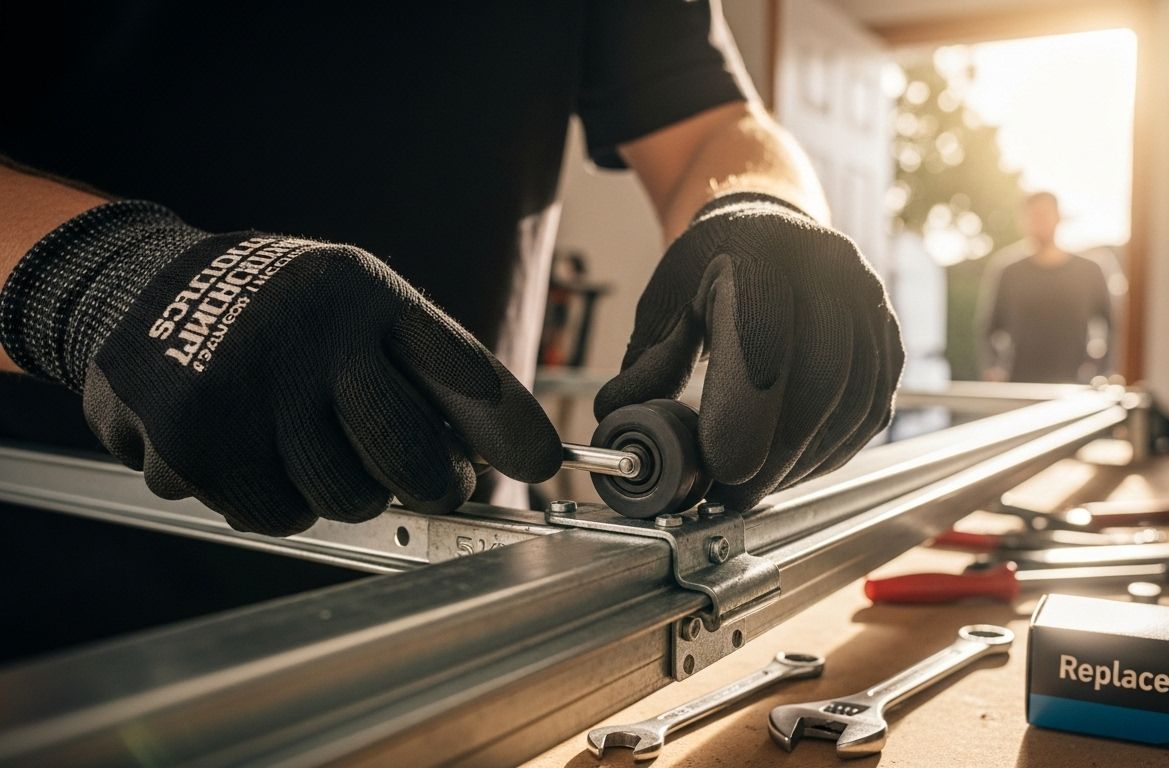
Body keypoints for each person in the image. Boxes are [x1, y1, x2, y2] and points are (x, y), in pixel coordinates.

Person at [0, 2, 903, 537]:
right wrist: (96, 284)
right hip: (70, 605)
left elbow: (710, 123)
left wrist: (766, 208)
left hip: (458, 566)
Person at [977, 192, 1111, 384]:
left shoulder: (1089, 271)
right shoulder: (1010, 273)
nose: (1039, 221)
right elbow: (988, 329)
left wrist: (1102, 369)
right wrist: (992, 368)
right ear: (1022, 222)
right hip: (1021, 384)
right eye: (1033, 216)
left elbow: (1113, 325)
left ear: (1058, 217)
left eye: (1044, 214)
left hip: (1074, 386)